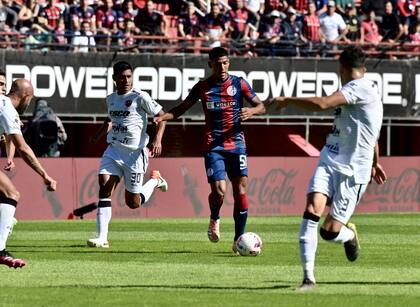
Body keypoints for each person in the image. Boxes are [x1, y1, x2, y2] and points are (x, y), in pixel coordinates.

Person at [267, 46, 387, 290]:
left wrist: (287, 99)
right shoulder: (358, 89)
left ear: (341, 68)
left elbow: (322, 104)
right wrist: (377, 161)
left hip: (353, 171)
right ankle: (308, 278)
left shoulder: (359, 88)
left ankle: (349, 235)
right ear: (362, 67)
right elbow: (368, 132)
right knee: (312, 209)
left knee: (329, 232)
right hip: (329, 159)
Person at [154, 47, 265, 253]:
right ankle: (215, 217)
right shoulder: (203, 87)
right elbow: (181, 108)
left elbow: (261, 106)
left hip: (237, 144)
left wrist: (252, 111)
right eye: (217, 63)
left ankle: (238, 239)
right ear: (210, 64)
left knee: (240, 189)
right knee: (219, 190)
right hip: (213, 145)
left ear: (229, 62)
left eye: (225, 62)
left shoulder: (238, 83)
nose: (222, 67)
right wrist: (163, 117)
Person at [87, 61, 168, 248]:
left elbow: (162, 117)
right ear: (114, 78)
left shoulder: (141, 97)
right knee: (104, 187)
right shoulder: (111, 98)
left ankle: (155, 180)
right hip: (114, 149)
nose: (126, 80)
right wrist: (98, 135)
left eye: (129, 76)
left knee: (133, 203)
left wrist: (157, 140)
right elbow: (111, 118)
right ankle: (102, 238)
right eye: (122, 77)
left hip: (135, 154)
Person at [0, 79, 57, 268]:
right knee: (11, 194)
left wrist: (8, 154)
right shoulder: (7, 108)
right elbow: (23, 148)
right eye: (29, 100)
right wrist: (45, 175)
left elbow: (7, 136)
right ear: (26, 96)